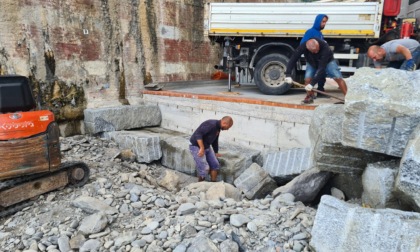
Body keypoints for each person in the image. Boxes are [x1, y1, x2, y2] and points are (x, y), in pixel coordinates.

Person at [284, 38, 348, 104]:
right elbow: (293, 59)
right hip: (311, 62)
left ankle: (348, 98)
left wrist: (312, 84)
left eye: (317, 49)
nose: (316, 52)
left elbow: (321, 68)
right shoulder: (303, 46)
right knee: (307, 80)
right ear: (307, 48)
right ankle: (310, 97)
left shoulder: (325, 47)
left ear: (318, 45)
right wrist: (288, 74)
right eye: (314, 51)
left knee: (338, 78)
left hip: (327, 62)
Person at [189, 116, 233, 182]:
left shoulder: (218, 128)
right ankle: (199, 186)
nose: (227, 129)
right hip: (196, 146)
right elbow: (198, 134)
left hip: (206, 146)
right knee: (205, 168)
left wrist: (216, 152)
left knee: (215, 165)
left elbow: (215, 140)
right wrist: (201, 148)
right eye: (228, 127)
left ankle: (213, 184)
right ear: (224, 123)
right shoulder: (211, 125)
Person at [300, 14, 329, 95]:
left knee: (321, 76)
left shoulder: (320, 34)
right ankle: (310, 96)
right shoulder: (310, 32)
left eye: (325, 22)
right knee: (308, 79)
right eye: (323, 22)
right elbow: (303, 44)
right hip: (312, 61)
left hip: (320, 61)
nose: (324, 24)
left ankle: (320, 92)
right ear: (318, 21)